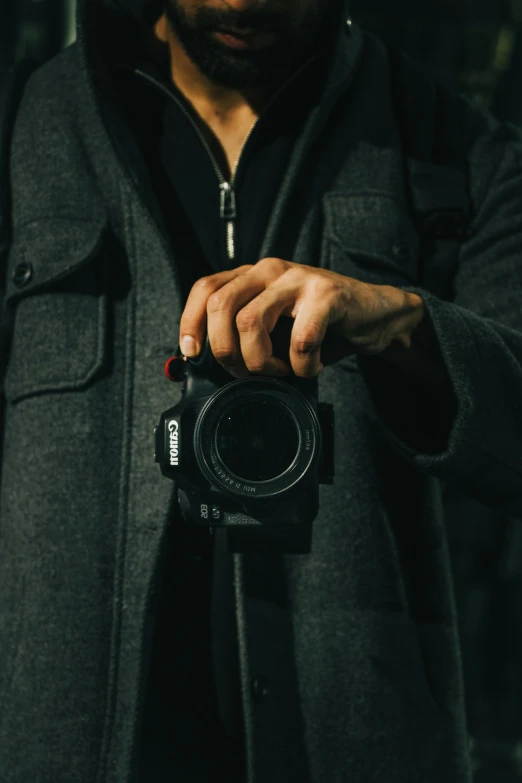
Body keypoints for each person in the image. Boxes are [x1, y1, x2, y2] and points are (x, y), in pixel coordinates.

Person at [0, 0, 521, 781]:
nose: (242, 2)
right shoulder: (24, 125)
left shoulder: (459, 146)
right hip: (59, 739)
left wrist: (403, 325)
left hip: (359, 737)